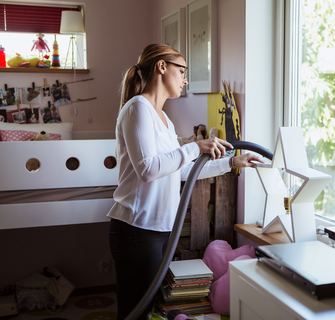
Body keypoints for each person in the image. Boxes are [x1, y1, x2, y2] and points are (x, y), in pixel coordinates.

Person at [107, 43, 264, 320]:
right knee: (135, 310)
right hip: (136, 229)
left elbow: (178, 171)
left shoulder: (164, 120)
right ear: (161, 67)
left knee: (148, 307)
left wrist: (230, 162)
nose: (185, 79)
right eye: (182, 71)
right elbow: (147, 169)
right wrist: (196, 147)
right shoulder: (137, 108)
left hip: (158, 229)